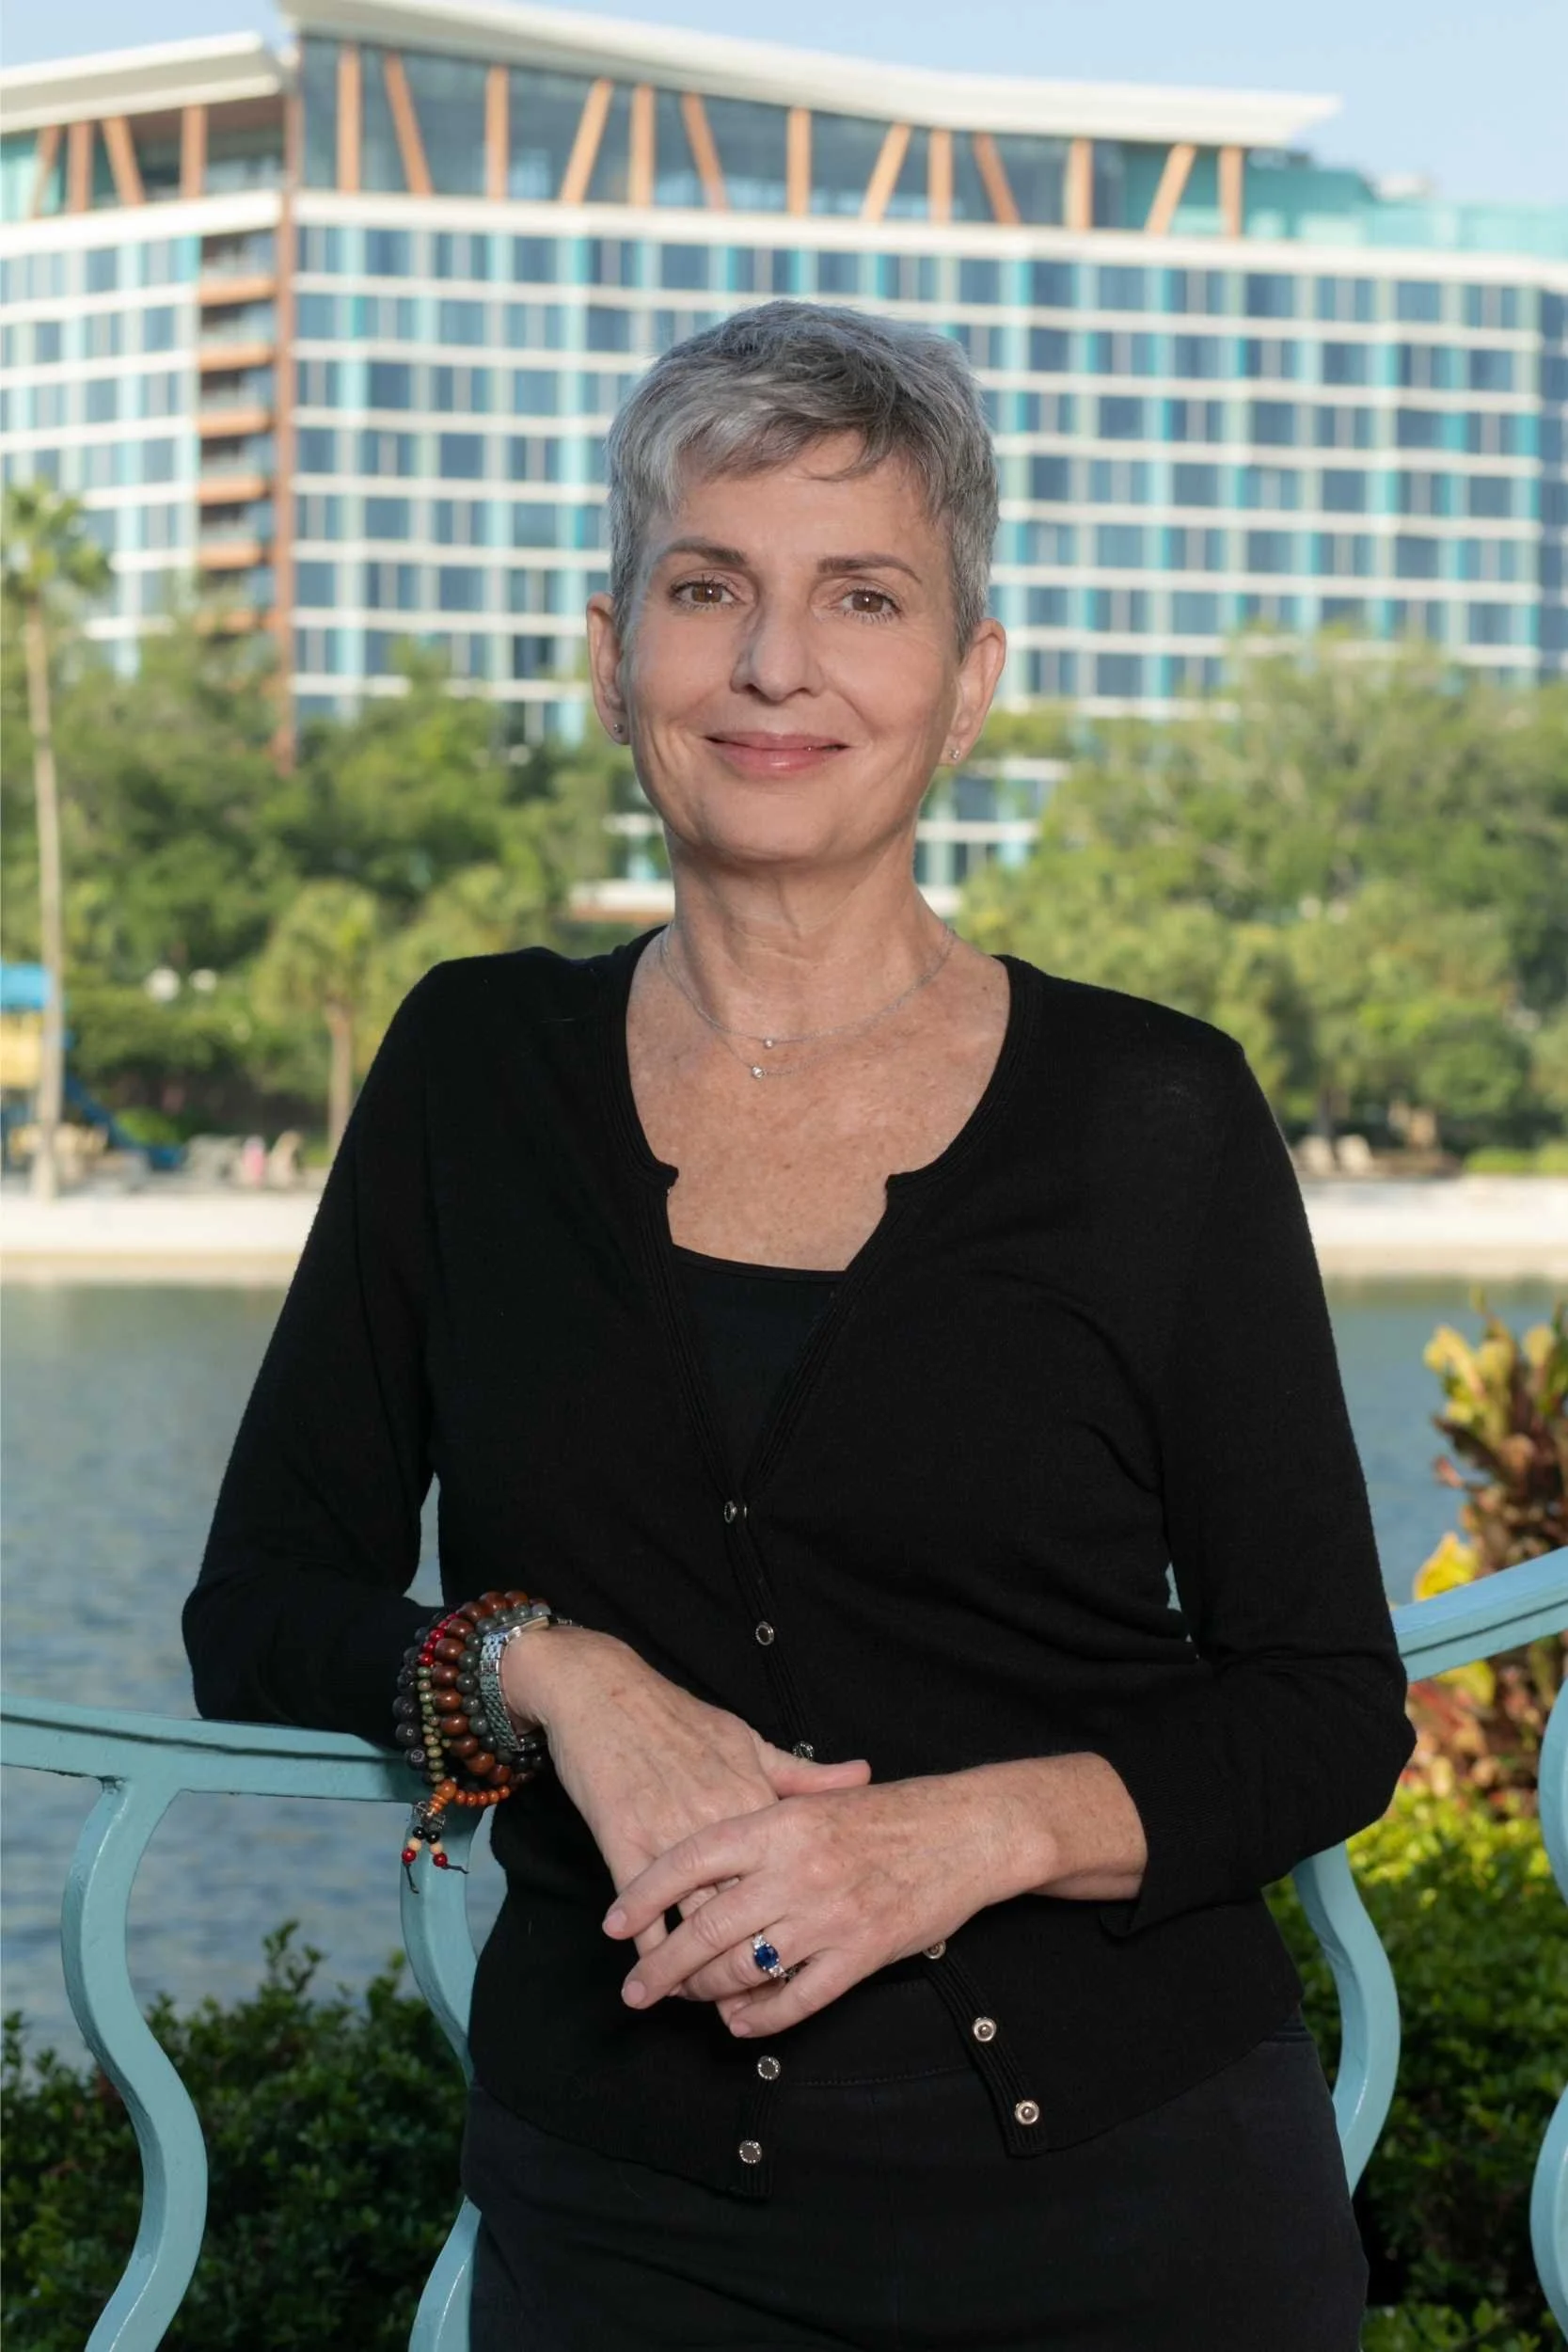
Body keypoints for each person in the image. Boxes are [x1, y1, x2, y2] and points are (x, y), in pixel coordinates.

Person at [184, 301, 1415, 2351]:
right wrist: (554, 1671)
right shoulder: (471, 1072)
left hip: (1146, 2220)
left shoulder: (1156, 1110)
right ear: (613, 658)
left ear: (966, 680)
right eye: (705, 589)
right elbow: (255, 1609)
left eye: (862, 595)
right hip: (631, 2235)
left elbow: (1321, 1706)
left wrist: (955, 1840)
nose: (774, 664)